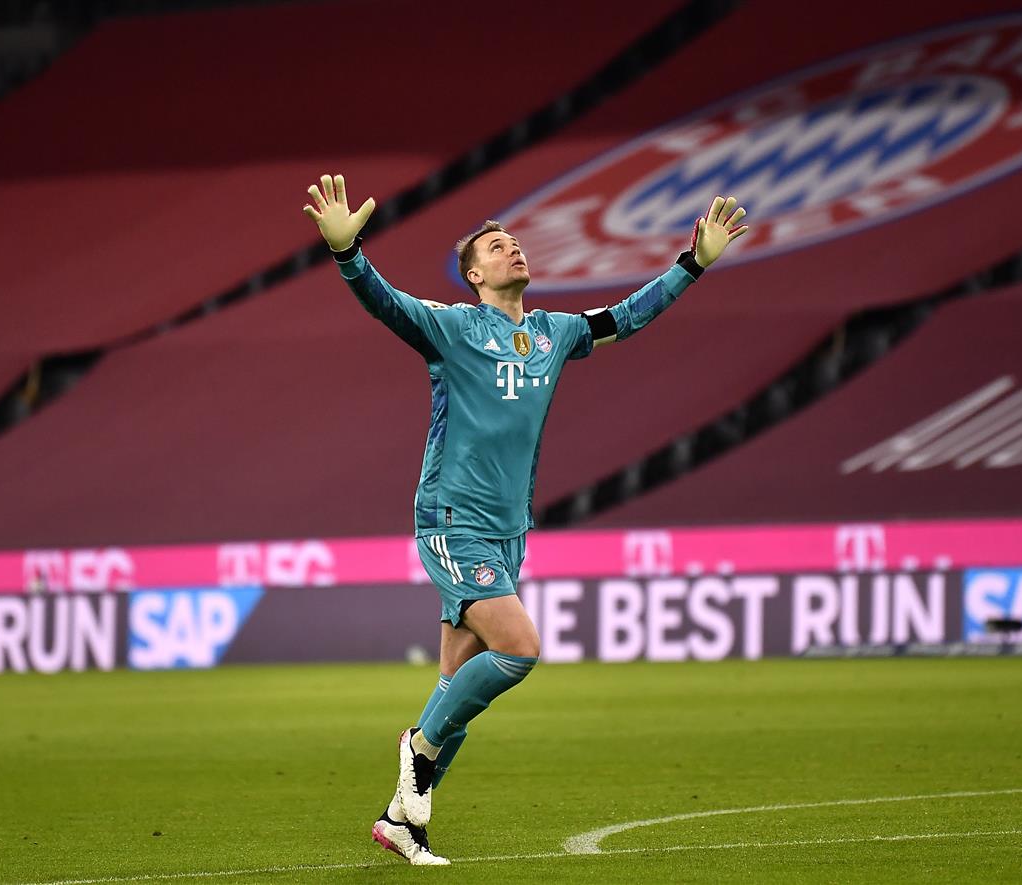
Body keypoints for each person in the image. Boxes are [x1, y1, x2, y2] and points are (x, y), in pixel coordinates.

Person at [301, 173, 748, 866]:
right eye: (496, 246)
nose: (514, 249)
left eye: (516, 241)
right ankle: (416, 753)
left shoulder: (553, 333)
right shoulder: (451, 327)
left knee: (458, 678)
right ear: (473, 273)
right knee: (519, 647)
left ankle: (400, 821)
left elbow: (625, 317)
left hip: (511, 530)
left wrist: (692, 264)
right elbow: (384, 304)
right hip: (453, 519)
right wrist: (346, 253)